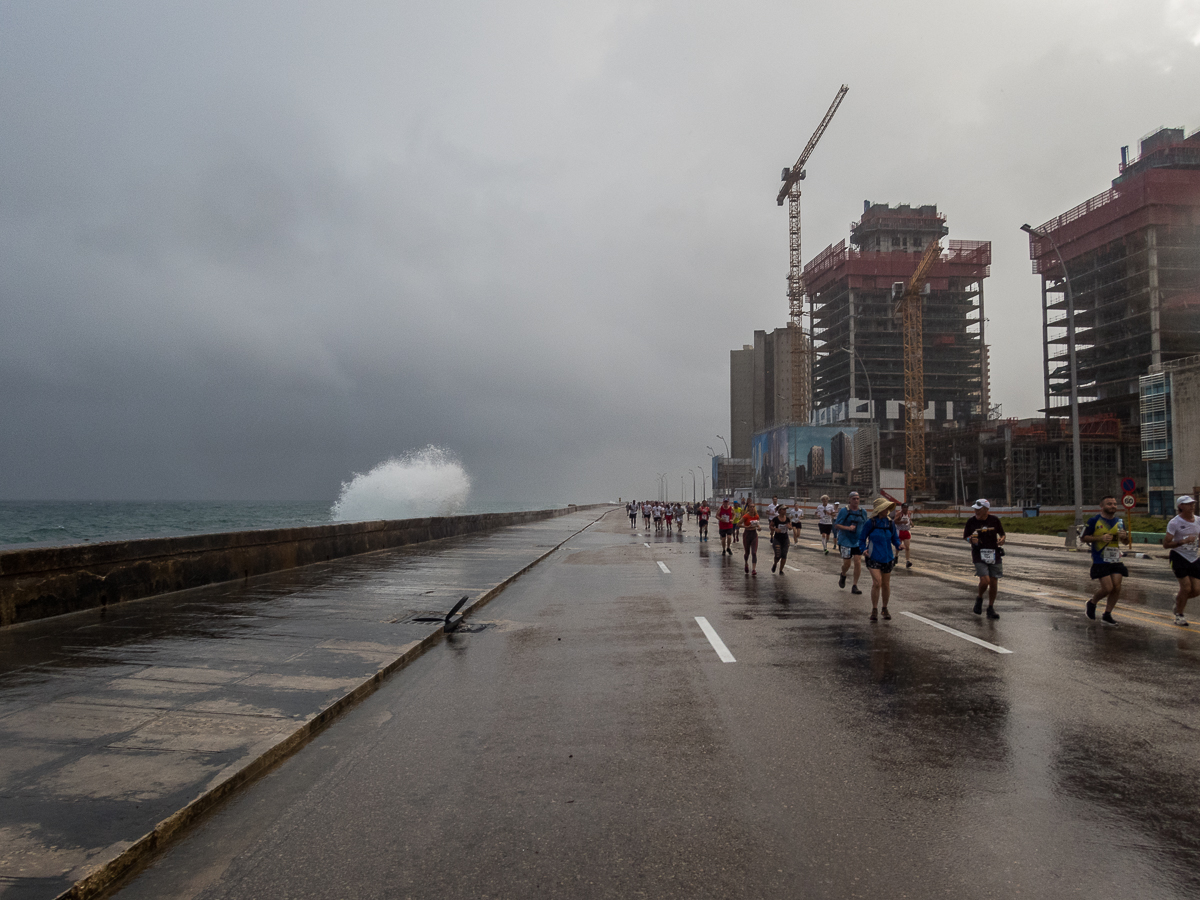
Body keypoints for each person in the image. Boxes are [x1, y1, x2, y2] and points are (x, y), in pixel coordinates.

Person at [1082, 495, 1128, 626]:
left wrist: (1125, 537)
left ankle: (1107, 614)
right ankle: (1092, 603)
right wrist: (1099, 538)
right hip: (1100, 559)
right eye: (1109, 504)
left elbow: (1126, 542)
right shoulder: (1094, 520)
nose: (1112, 506)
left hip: (1115, 558)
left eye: (1114, 504)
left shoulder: (1119, 522)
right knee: (1108, 588)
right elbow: (1083, 538)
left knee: (1117, 587)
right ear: (1102, 506)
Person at [861, 497, 901, 621]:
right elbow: (862, 538)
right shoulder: (870, 523)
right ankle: (874, 609)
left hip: (888, 557)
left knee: (886, 584)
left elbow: (895, 538)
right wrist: (863, 549)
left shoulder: (890, 523)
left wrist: (899, 545)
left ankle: (884, 608)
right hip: (873, 557)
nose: (888, 510)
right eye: (885, 507)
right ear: (880, 509)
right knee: (877, 582)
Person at [963, 499, 1005, 619]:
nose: (976, 511)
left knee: (993, 581)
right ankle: (980, 597)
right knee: (985, 580)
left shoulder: (994, 520)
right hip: (978, 554)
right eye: (975, 508)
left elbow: (1002, 534)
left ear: (986, 510)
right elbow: (965, 536)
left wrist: (1002, 540)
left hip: (993, 553)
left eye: (979, 509)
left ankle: (991, 607)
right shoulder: (971, 521)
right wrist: (970, 540)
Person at [1163, 494, 1200, 627]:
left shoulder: (1198, 520)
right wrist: (1183, 541)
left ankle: (1178, 599)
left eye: (1193, 504)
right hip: (1178, 556)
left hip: (1193, 557)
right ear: (1180, 506)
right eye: (1188, 504)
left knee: (1196, 590)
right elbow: (1166, 544)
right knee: (1186, 587)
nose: (1192, 506)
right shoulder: (1174, 522)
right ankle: (1179, 615)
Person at [834, 492, 869, 595]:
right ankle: (843, 574)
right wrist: (848, 528)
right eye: (854, 499)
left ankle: (855, 585)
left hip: (858, 541)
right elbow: (837, 525)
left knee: (858, 561)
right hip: (845, 540)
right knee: (847, 564)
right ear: (849, 500)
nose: (856, 501)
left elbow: (865, 525)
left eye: (858, 499)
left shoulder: (863, 512)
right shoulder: (844, 511)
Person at [741, 500, 761, 576]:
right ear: (748, 508)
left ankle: (753, 569)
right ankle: (746, 563)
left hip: (754, 534)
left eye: (753, 507)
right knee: (747, 553)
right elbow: (739, 524)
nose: (752, 508)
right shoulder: (745, 516)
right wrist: (746, 526)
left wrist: (759, 528)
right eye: (751, 507)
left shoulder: (756, 516)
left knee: (754, 552)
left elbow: (757, 525)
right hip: (747, 534)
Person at [770, 504, 792, 573]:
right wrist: (774, 529)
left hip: (785, 539)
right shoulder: (775, 519)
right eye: (783, 509)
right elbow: (771, 526)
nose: (785, 511)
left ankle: (781, 570)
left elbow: (791, 527)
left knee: (784, 555)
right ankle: (775, 564)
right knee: (778, 555)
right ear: (780, 510)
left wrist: (789, 527)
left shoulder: (787, 519)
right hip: (777, 539)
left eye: (785, 509)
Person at [894, 503, 913, 568]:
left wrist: (911, 523)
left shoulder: (909, 513)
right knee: (899, 546)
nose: (905, 509)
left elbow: (909, 519)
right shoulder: (899, 513)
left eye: (906, 507)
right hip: (899, 531)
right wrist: (902, 522)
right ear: (902, 508)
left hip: (906, 531)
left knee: (907, 547)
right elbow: (895, 521)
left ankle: (907, 561)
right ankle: (896, 556)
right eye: (904, 507)